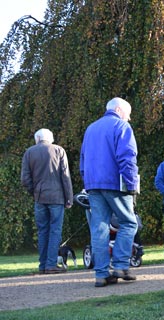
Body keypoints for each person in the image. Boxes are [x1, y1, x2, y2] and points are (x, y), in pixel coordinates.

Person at [80, 97, 139, 287]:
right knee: (129, 223)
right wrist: (131, 185)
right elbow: (127, 158)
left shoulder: (91, 128)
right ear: (120, 110)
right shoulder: (121, 127)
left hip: (93, 184)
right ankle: (121, 266)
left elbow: (83, 160)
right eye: (128, 114)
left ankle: (101, 274)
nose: (129, 119)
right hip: (115, 183)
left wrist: (87, 182)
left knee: (99, 228)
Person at [20, 128, 74, 274]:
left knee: (42, 231)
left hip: (39, 197)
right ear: (51, 138)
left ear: (37, 138)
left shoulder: (29, 152)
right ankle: (51, 264)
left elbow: (25, 180)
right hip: (57, 197)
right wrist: (69, 198)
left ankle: (42, 265)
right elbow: (65, 176)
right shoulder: (59, 150)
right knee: (55, 230)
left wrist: (35, 192)